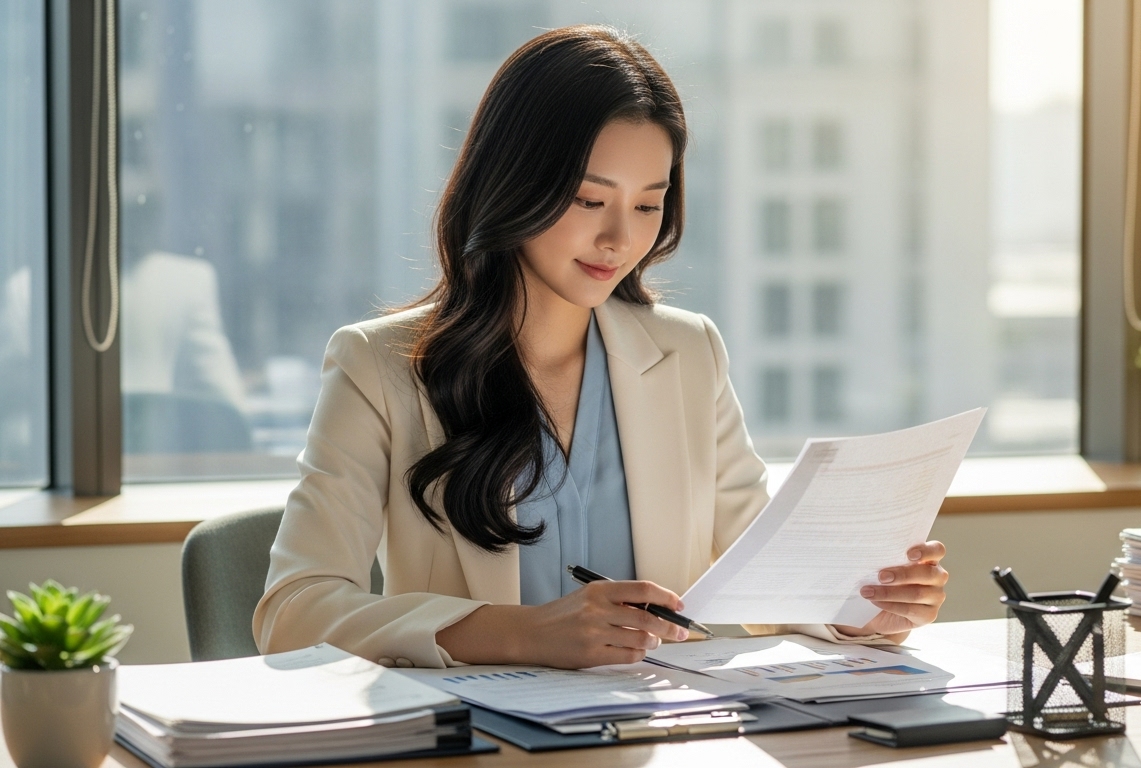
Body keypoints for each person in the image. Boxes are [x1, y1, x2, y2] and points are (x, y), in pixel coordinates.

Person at [254, 25, 948, 670]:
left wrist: (864, 608)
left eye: (648, 205)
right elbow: (292, 611)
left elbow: (759, 576)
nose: (620, 240)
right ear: (514, 184)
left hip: (659, 733)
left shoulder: (688, 352)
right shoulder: (379, 366)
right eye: (590, 201)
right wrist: (520, 633)